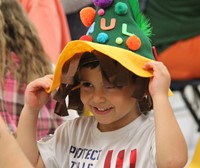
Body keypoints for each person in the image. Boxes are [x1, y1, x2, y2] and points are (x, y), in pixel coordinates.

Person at [16, 0, 188, 167]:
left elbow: (172, 162)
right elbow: (23, 164)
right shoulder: (72, 132)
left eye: (111, 86)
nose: (97, 98)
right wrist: (30, 112)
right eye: (87, 85)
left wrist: (159, 96)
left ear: (141, 86)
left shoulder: (152, 136)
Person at [0, 0, 62, 139]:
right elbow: (66, 118)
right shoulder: (48, 68)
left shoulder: (3, 72)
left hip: (13, 153)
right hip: (49, 153)